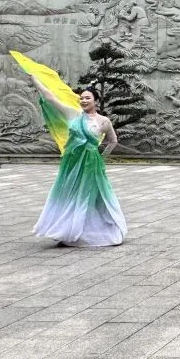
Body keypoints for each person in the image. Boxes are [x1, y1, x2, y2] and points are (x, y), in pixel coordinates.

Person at [30, 80, 127, 247]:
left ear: (95, 101)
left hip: (91, 163)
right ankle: (67, 227)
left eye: (87, 98)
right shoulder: (73, 114)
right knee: (70, 192)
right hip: (72, 162)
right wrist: (34, 80)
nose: (83, 100)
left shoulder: (104, 121)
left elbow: (113, 141)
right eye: (81, 98)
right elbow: (51, 98)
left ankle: (90, 228)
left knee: (89, 194)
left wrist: (101, 157)